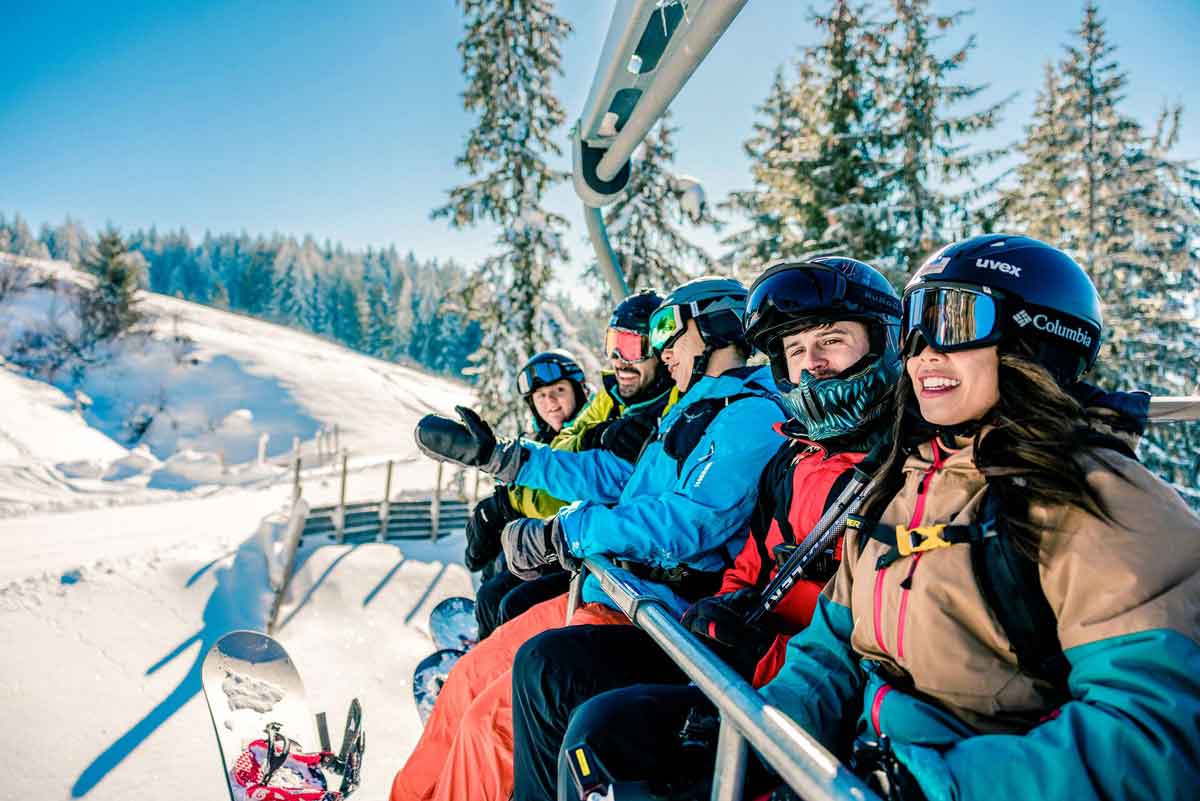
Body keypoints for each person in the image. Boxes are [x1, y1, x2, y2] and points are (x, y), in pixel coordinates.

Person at [572, 234, 1200, 801]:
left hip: (953, 774)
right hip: (854, 756)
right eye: (915, 327)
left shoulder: (1104, 501)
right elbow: (832, 646)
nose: (924, 351)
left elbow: (1152, 736)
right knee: (605, 741)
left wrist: (933, 784)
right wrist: (765, 727)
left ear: (1034, 341)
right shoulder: (908, 480)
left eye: (950, 321)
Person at [510, 256, 904, 801]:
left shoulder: (886, 467)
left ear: (882, 340)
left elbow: (691, 522)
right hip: (738, 654)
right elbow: (749, 555)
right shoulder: (790, 456)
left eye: (831, 340)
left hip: (789, 685)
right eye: (795, 350)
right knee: (560, 688)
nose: (812, 364)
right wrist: (729, 605)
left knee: (570, 695)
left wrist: (571, 529)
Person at [396, 276, 786, 801]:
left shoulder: (753, 415)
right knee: (465, 683)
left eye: (670, 329)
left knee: (488, 728)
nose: (660, 348)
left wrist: (565, 533)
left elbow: (689, 522)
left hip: (647, 608)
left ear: (720, 326)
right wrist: (507, 460)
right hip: (608, 593)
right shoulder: (694, 409)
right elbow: (611, 477)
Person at [472, 292, 677, 639]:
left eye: (630, 346)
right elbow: (570, 449)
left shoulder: (645, 410)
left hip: (608, 559)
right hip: (590, 545)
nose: (618, 359)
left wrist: (514, 503)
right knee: (499, 580)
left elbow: (589, 476)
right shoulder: (609, 403)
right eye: (613, 345)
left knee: (508, 599)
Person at [470, 349, 590, 640]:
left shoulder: (589, 433)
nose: (550, 402)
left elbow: (571, 490)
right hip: (547, 547)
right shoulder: (542, 440)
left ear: (578, 391)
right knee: (492, 583)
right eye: (541, 396)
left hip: (574, 550)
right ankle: (484, 649)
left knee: (504, 598)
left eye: (559, 391)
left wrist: (508, 505)